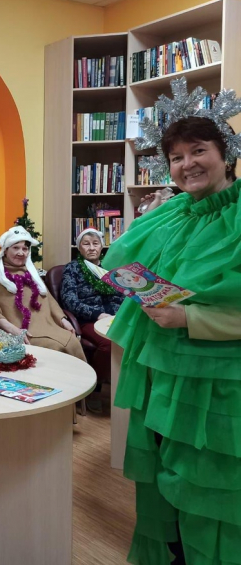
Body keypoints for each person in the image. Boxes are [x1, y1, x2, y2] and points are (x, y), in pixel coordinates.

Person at [103, 111, 241, 564]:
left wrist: (190, 319)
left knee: (213, 491)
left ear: (226, 154)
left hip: (219, 387)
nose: (187, 164)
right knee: (168, 483)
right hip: (161, 377)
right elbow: (129, 266)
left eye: (199, 150)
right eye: (177, 157)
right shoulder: (172, 213)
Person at [0, 225, 86, 360]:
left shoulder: (31, 272)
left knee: (73, 341)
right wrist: (14, 331)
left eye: (25, 249)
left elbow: (48, 299)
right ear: (5, 250)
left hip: (48, 326)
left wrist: (63, 320)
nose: (21, 253)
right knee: (56, 347)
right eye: (15, 248)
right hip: (19, 330)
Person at [61, 227, 125, 410]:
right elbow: (70, 301)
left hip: (114, 317)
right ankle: (94, 388)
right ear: (79, 248)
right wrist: (98, 314)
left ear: (101, 247)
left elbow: (122, 295)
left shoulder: (110, 267)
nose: (91, 248)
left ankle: (124, 385)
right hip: (88, 320)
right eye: (86, 244)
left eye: (95, 243)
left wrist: (120, 313)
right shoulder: (72, 269)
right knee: (109, 344)